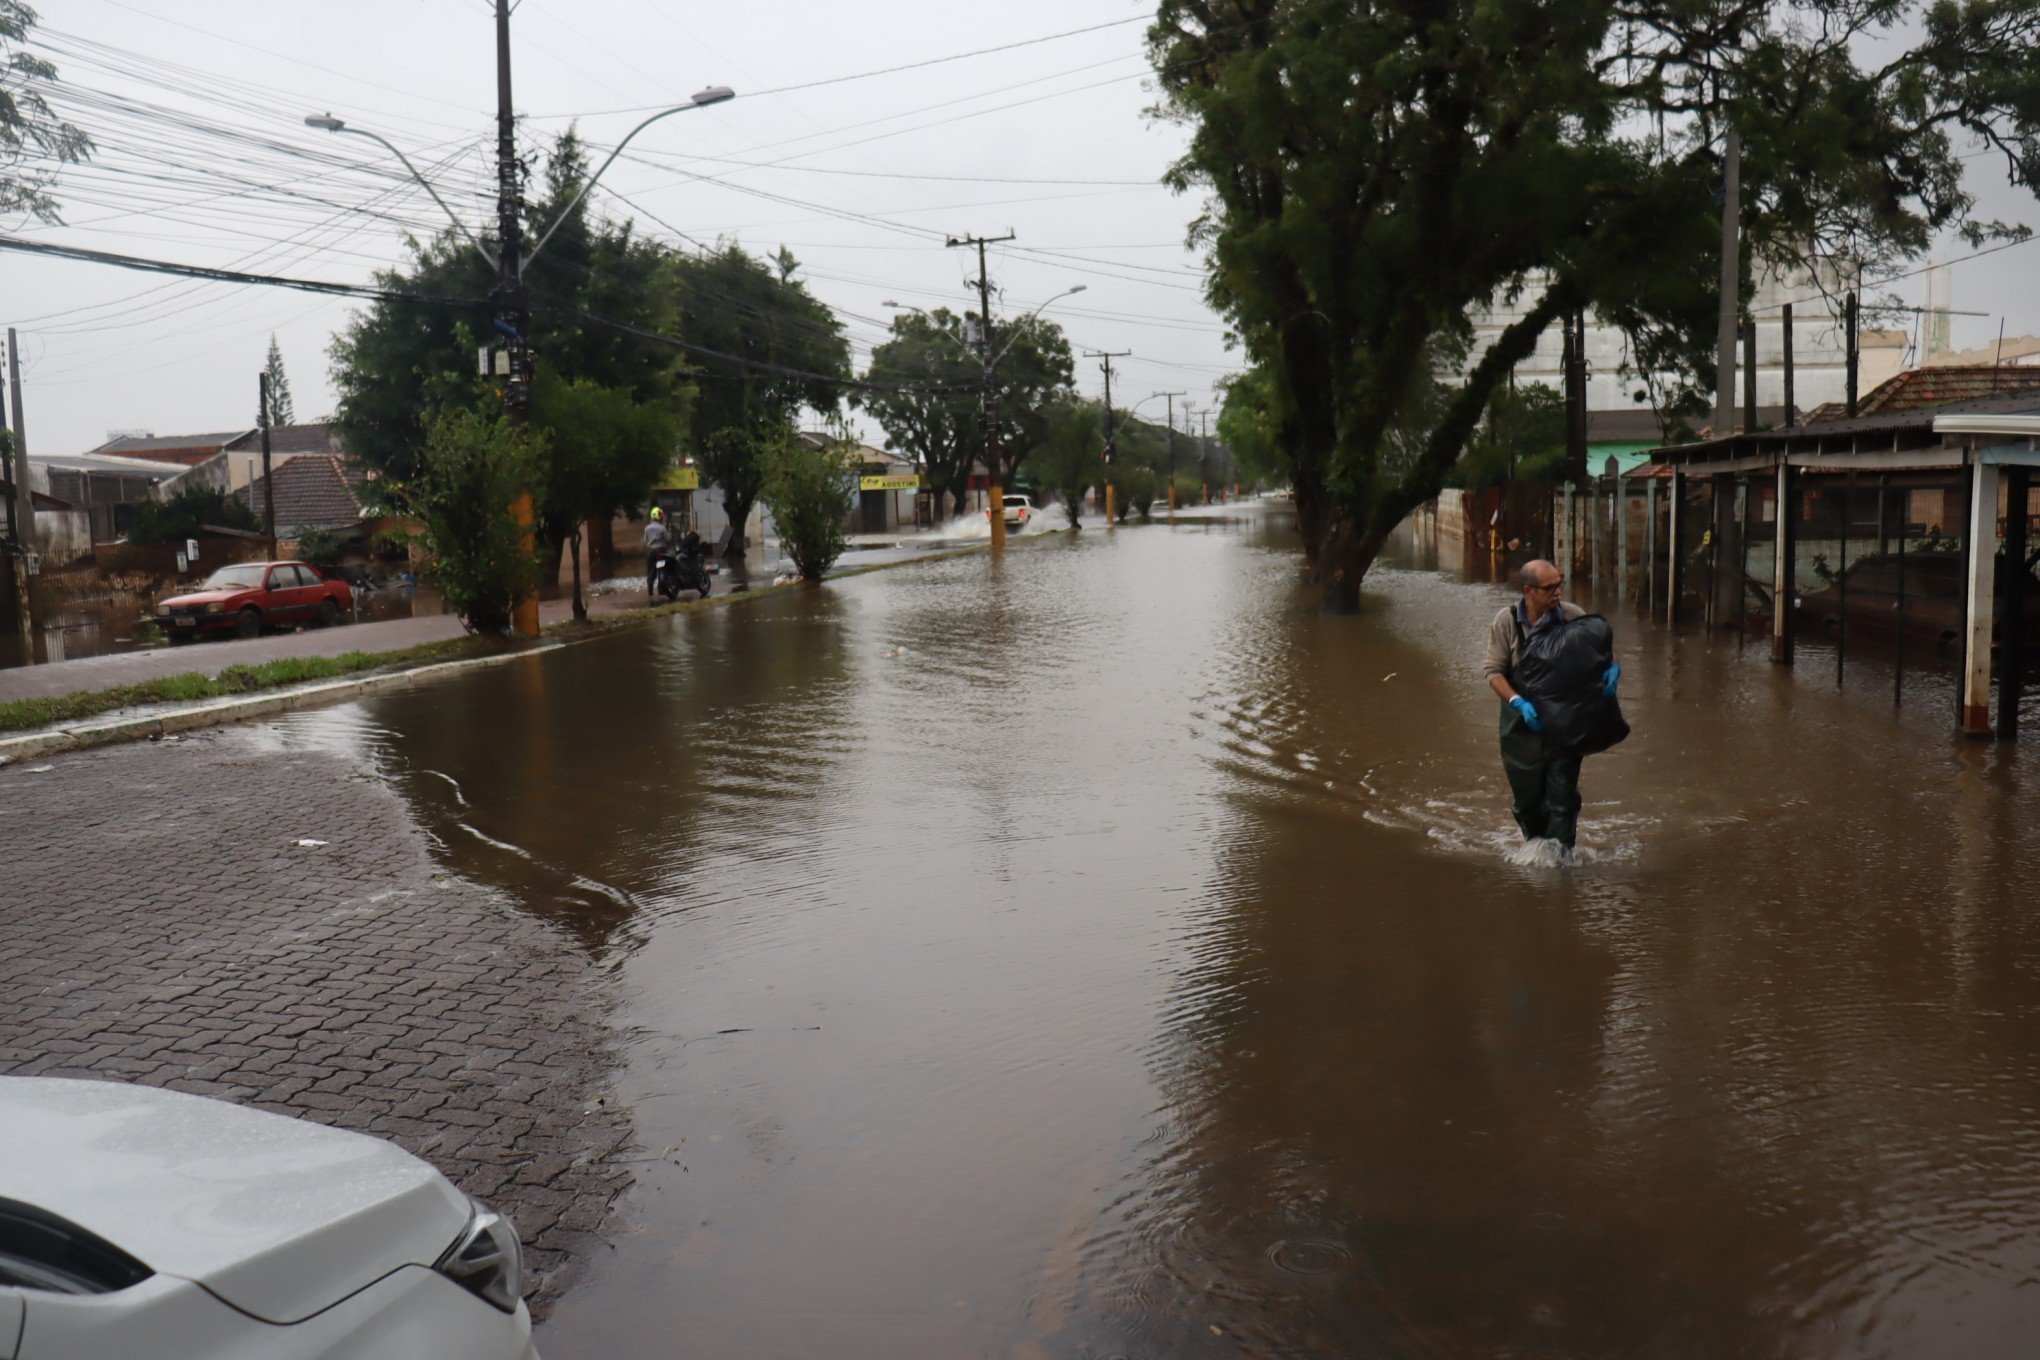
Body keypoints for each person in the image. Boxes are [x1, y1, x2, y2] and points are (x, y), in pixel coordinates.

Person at [1482, 559, 1620, 851]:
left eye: (1560, 584)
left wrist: (1611, 668)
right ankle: (1535, 846)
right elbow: (1493, 672)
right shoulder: (1507, 621)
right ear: (1528, 591)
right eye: (1549, 588)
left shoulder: (1572, 616)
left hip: (1566, 723)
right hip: (1521, 726)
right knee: (1528, 800)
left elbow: (1603, 652)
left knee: (1563, 797)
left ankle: (1560, 860)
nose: (1558, 593)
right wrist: (1518, 702)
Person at [644, 507, 672, 599]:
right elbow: (668, 539)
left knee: (651, 572)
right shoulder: (662, 528)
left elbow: (645, 540)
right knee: (662, 570)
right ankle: (661, 590)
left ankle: (650, 592)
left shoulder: (647, 528)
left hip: (651, 552)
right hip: (661, 552)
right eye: (661, 515)